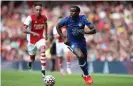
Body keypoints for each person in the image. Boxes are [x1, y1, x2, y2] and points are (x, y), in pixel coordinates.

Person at [56, 6, 96, 84]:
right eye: (71, 11)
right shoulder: (67, 20)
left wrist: (85, 32)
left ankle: (84, 75)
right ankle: (87, 76)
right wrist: (63, 38)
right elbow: (58, 26)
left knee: (84, 60)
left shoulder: (83, 18)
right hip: (72, 42)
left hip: (82, 42)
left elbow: (94, 30)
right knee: (80, 56)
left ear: (78, 12)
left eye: (74, 11)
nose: (71, 13)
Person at [22, 3, 48, 79]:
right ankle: (30, 62)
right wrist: (33, 33)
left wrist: (46, 34)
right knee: (32, 58)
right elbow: (23, 30)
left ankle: (43, 71)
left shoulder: (44, 17)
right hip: (31, 41)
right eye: (37, 10)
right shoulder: (30, 18)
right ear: (34, 9)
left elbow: (45, 24)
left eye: (40, 10)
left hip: (40, 38)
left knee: (43, 50)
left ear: (41, 10)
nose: (38, 11)